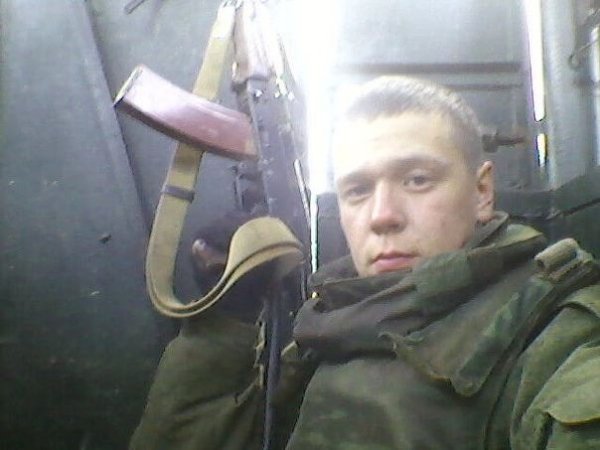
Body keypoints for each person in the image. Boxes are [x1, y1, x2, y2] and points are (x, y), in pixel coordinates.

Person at [129, 76, 600, 449]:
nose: (382, 216)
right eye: (357, 190)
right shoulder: (327, 322)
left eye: (417, 180)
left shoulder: (553, 333)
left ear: (481, 192)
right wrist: (228, 322)